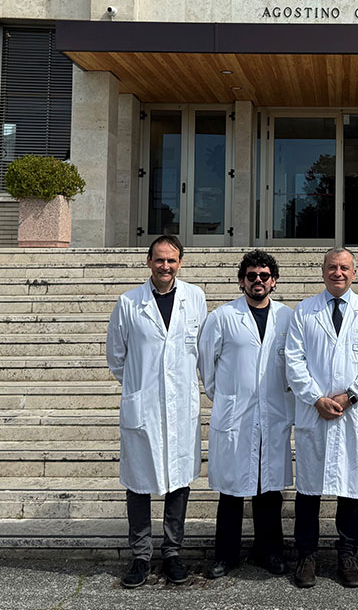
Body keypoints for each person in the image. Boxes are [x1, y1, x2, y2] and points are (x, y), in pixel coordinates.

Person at [106, 235, 207, 588]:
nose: (166, 266)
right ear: (148, 261)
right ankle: (140, 556)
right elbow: (116, 357)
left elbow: (201, 349)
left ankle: (172, 553)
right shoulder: (129, 302)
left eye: (172, 260)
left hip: (181, 406)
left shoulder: (195, 298)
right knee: (138, 482)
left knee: (179, 480)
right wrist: (141, 387)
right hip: (144, 406)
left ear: (180, 263)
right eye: (160, 259)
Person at [284, 247, 358, 588]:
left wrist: (350, 395)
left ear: (354, 273)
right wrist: (316, 398)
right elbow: (293, 360)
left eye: (344, 268)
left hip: (352, 414)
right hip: (314, 412)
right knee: (309, 491)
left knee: (351, 490)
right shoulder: (305, 311)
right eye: (332, 267)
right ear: (323, 271)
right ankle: (307, 557)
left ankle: (347, 556)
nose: (338, 273)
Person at [198, 250, 294, 578]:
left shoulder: (287, 317)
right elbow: (206, 365)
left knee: (269, 490)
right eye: (251, 276)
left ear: (274, 281)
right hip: (235, 416)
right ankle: (225, 555)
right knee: (232, 490)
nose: (258, 281)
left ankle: (270, 552)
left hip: (273, 415)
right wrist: (227, 397)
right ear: (242, 281)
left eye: (264, 276)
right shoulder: (223, 317)